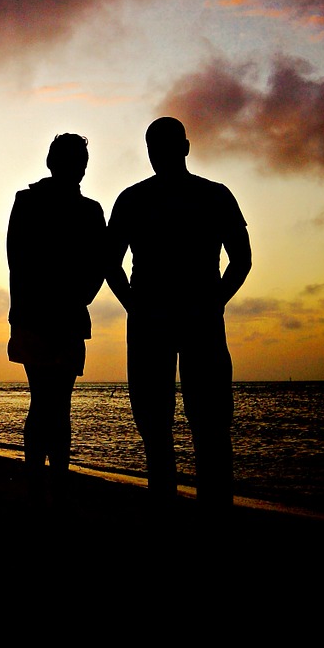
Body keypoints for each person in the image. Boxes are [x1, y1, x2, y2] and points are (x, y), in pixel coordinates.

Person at [106, 117, 252, 515]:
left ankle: (179, 512)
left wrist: (136, 304)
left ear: (182, 148)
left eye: (163, 147)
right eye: (158, 148)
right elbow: (241, 260)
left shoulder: (138, 198)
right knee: (194, 425)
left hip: (172, 318)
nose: (161, 155)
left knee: (183, 425)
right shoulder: (210, 195)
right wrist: (213, 300)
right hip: (181, 318)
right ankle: (200, 514)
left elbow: (241, 260)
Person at [7, 134, 107, 505]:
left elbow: (99, 265)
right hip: (44, 317)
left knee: (50, 403)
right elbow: (17, 259)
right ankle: (46, 483)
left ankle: (47, 482)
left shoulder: (83, 209)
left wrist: (79, 299)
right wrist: (76, 299)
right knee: (51, 404)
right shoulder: (34, 202)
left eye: (79, 160)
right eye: (74, 159)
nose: (77, 167)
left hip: (52, 317)